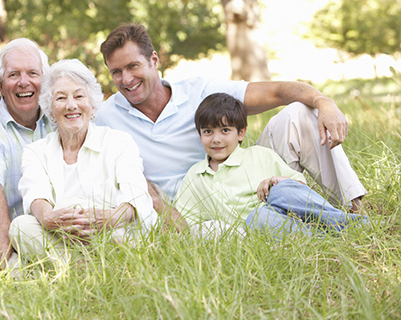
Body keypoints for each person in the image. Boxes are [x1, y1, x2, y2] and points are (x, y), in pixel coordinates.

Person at [95, 23, 366, 227]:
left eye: (133, 66)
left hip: (245, 180)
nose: (126, 79)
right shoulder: (105, 116)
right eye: (116, 72)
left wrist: (323, 101)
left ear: (154, 60)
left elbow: (277, 92)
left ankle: (352, 210)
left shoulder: (198, 90)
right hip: (194, 209)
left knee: (300, 113)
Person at [9, 59, 158, 262]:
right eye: (61, 98)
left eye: (79, 96)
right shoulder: (35, 152)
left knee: (121, 237)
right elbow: (36, 197)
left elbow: (135, 197)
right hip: (60, 236)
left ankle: (66, 269)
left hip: (111, 232)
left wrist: (110, 218)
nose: (71, 105)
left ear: (93, 104)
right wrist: (52, 219)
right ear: (51, 109)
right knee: (21, 227)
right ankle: (86, 269)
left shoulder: (119, 142)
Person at [175, 93, 369, 238]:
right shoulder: (196, 175)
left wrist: (278, 181)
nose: (216, 139)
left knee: (280, 192)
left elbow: (299, 188)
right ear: (200, 135)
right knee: (258, 218)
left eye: (225, 130)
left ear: (241, 133)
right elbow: (186, 221)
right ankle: (321, 238)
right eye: (208, 132)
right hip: (251, 230)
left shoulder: (260, 155)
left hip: (279, 212)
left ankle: (347, 223)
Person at [0, 38, 53, 267]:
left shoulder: (59, 118)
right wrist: (3, 236)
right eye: (13, 75)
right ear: (0, 86)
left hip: (52, 224)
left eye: (33, 73)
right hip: (2, 223)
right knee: (6, 262)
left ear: (45, 80)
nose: (24, 82)